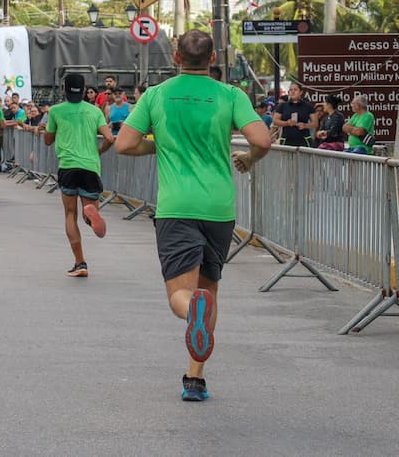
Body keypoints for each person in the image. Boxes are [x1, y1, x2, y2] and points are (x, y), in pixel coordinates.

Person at [115, 30, 271, 402]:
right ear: (213, 56)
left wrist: (159, 147)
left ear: (175, 56)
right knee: (209, 289)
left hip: (177, 207)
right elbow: (263, 140)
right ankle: (194, 378)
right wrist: (248, 159)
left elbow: (124, 144)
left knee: (180, 295)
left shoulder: (156, 95)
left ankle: (191, 312)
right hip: (218, 208)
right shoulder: (231, 95)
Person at [44, 73, 115, 278]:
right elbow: (110, 137)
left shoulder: (56, 111)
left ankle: (80, 262)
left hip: (67, 166)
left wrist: (49, 131)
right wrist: (98, 151)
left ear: (64, 89)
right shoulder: (95, 111)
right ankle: (90, 214)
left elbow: (48, 140)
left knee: (69, 215)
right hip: (90, 166)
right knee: (86, 213)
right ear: (84, 90)